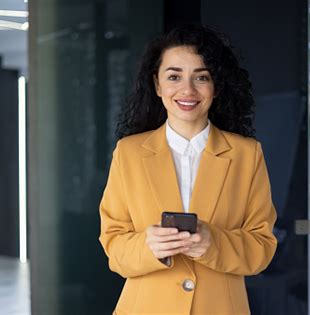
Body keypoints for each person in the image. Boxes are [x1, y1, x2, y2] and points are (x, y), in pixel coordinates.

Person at [99, 24, 277, 315]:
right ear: (157, 85)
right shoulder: (128, 153)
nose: (187, 90)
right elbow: (114, 246)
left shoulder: (247, 154)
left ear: (216, 86)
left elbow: (262, 247)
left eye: (201, 77)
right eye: (174, 76)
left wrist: (213, 243)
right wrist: (148, 247)